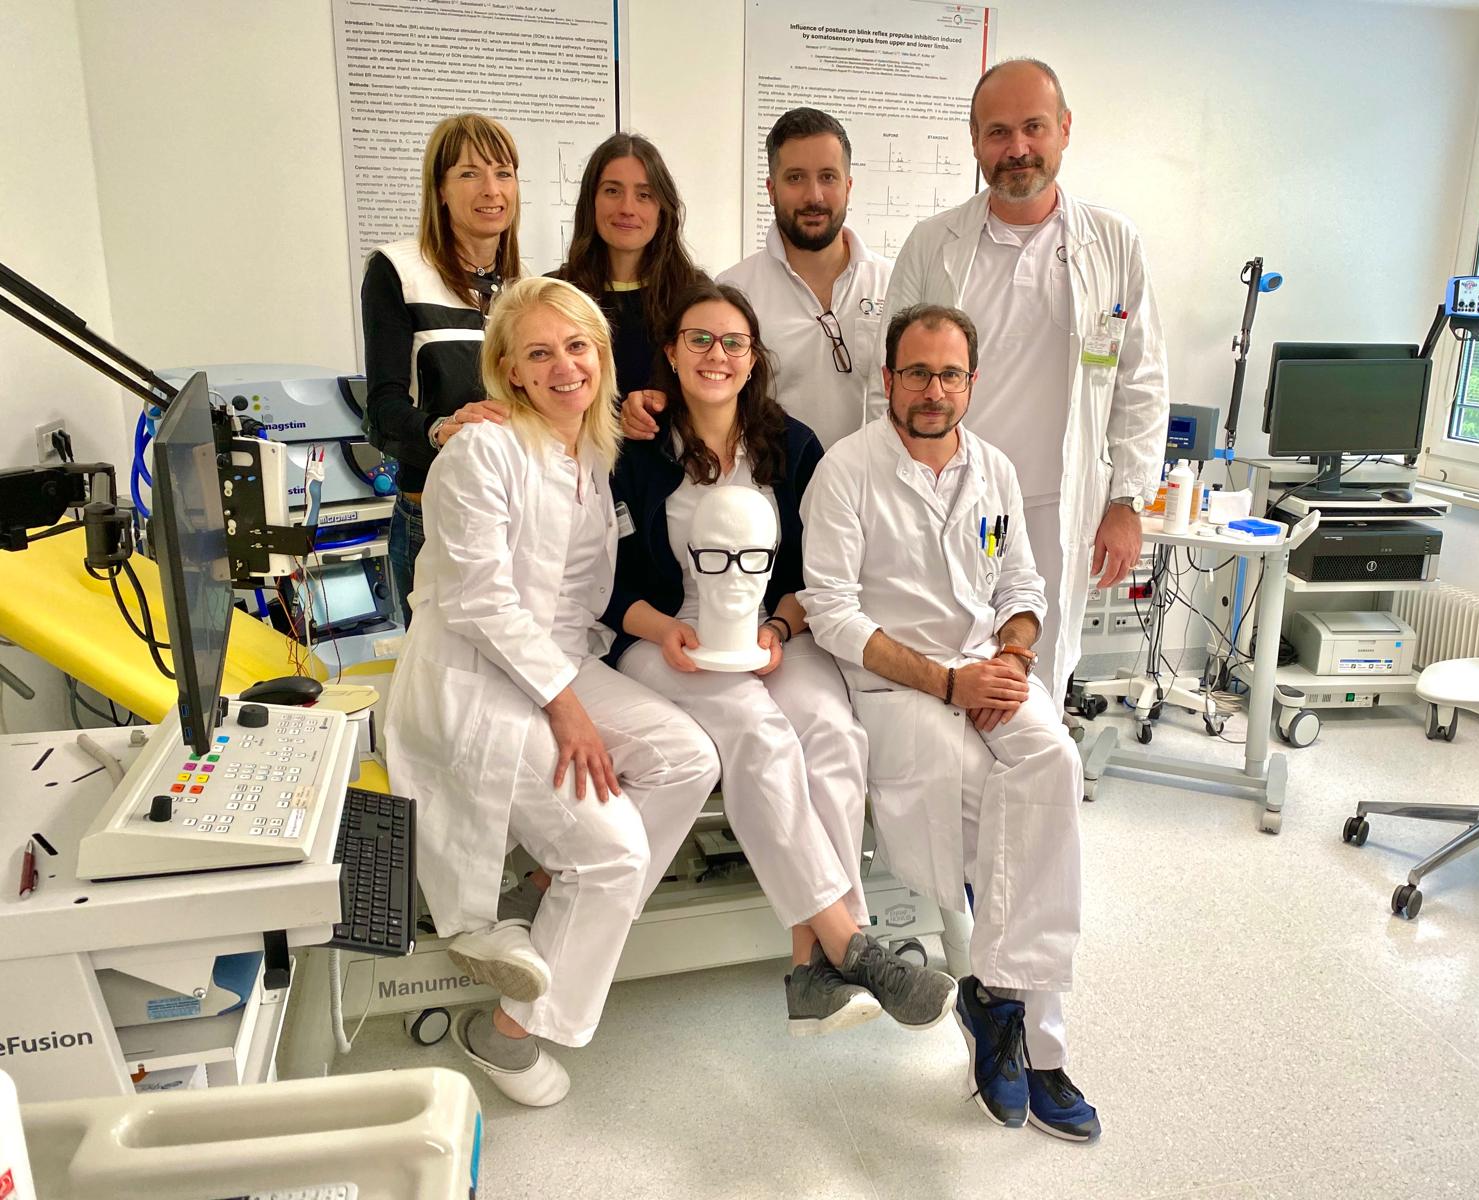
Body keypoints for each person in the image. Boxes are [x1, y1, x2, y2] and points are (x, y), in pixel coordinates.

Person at [384, 276, 720, 1107]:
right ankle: (507, 1033)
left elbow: (575, 604)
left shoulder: (590, 456)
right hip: (475, 678)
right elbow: (479, 603)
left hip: (556, 663)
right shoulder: (483, 451)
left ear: (601, 356)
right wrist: (567, 711)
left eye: (577, 347)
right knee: (615, 853)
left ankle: (544, 901)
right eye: (539, 353)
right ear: (510, 370)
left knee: (686, 759)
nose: (565, 366)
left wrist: (645, 642)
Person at [604, 280, 957, 1037]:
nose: (717, 354)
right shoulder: (633, 453)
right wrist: (665, 632)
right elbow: (610, 589)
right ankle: (849, 946)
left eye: (733, 341)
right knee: (760, 734)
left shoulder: (793, 447)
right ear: (671, 353)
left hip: (773, 630)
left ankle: (812, 970)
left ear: (754, 357)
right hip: (666, 638)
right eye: (699, 339)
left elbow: (814, 573)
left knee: (831, 730)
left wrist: (780, 628)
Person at [801, 303, 1098, 1141]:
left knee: (1055, 769)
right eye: (918, 373)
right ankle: (1038, 1047)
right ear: (888, 379)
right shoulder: (847, 471)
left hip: (988, 669)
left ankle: (996, 1001)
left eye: (951, 374)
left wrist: (1014, 655)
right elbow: (834, 615)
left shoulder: (993, 469)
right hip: (897, 686)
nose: (934, 391)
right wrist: (948, 682)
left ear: (973, 381)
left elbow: (1022, 586)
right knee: (995, 813)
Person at [884, 58, 1170, 705]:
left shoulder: (1112, 243)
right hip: (954, 496)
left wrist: (1128, 502)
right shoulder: (933, 244)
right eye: (998, 132)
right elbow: (890, 383)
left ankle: (1039, 761)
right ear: (975, 141)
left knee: (1041, 663)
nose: (1017, 148)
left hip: (1056, 502)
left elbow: (1142, 381)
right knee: (949, 653)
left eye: (1033, 127)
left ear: (1064, 129)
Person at [621, 107, 889, 451]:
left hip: (868, 481)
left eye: (828, 177)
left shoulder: (892, 284)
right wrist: (649, 402)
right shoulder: (735, 291)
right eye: (795, 178)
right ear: (771, 189)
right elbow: (701, 395)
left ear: (848, 187)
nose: (814, 196)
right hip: (772, 479)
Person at [361, 112, 525, 625]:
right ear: (440, 190)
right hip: (431, 515)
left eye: (503, 173)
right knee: (437, 669)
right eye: (470, 173)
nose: (491, 189)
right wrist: (439, 429)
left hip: (514, 517)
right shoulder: (398, 270)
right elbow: (382, 409)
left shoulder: (523, 287)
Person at [553, 132, 707, 417]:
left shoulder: (695, 294)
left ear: (663, 209)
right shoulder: (556, 293)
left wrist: (663, 401)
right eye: (612, 191)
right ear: (591, 200)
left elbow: (716, 388)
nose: (627, 208)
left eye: (644, 195)